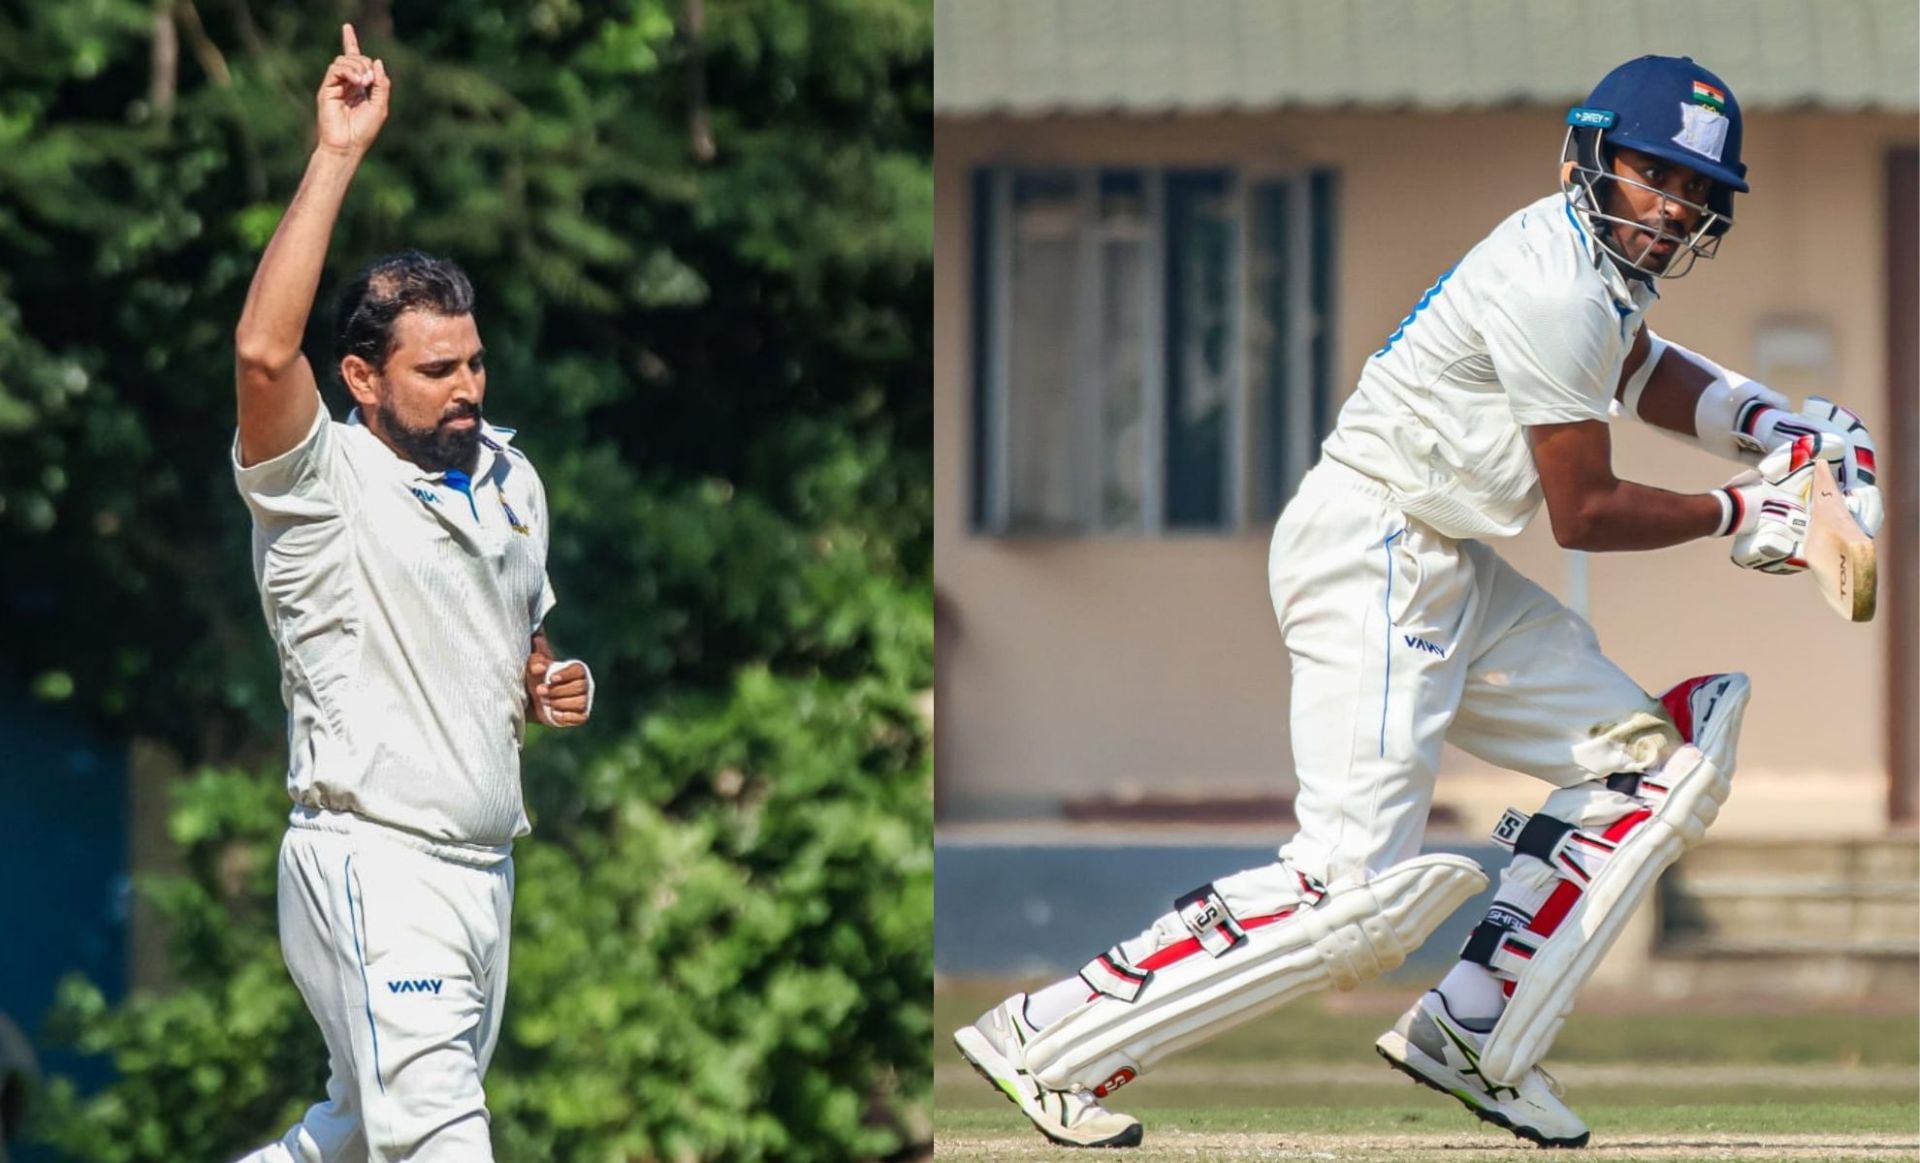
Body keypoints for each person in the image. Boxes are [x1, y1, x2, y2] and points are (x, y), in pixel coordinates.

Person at [953, 55, 1882, 1150]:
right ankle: (1047, 1033)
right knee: (1348, 898)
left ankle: (1476, 1030)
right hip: (1376, 549)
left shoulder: (1594, 269)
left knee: (1655, 765)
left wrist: (1773, 427)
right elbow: (1580, 512)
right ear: (1595, 155)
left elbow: (1639, 367)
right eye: (1650, 172)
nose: (1671, 205)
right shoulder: (1553, 281)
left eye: (1693, 190)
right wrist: (1740, 512)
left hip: (1438, 557)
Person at [230, 25, 593, 1162]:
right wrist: (336, 153)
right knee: (443, 1140)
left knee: (346, 1138)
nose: (468, 388)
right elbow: (256, 353)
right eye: (438, 370)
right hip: (371, 858)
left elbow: (514, 639)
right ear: (361, 378)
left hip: (484, 873)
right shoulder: (320, 482)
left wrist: (546, 681)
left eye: (474, 362)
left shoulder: (512, 478)